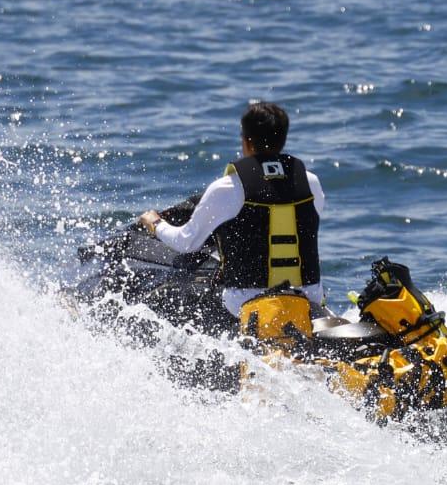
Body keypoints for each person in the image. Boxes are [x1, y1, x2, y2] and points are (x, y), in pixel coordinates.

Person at [138, 101, 326, 322]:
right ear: (283, 140)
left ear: (246, 141)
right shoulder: (310, 182)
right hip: (308, 302)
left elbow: (186, 242)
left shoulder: (227, 187)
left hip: (246, 306)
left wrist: (155, 224)